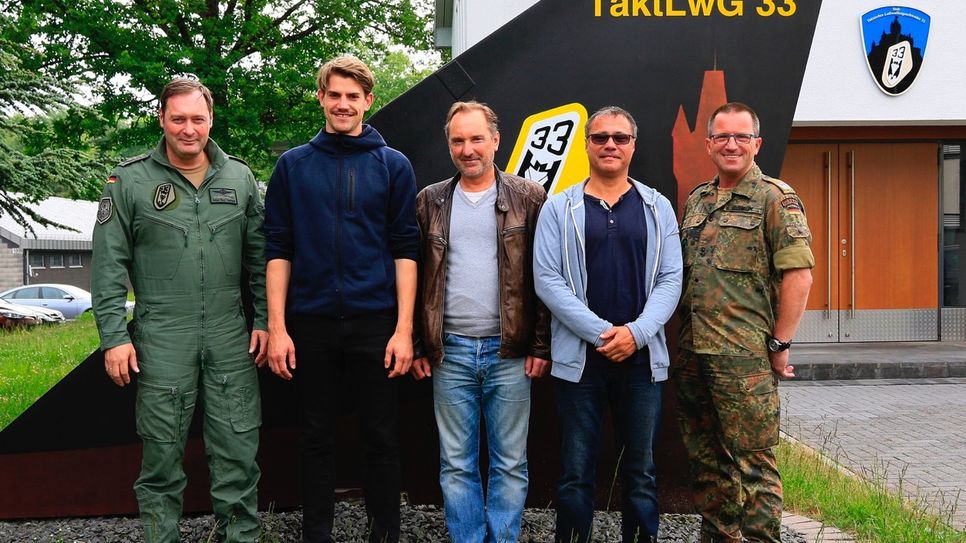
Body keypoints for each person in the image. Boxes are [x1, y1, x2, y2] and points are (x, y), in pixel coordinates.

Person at [91, 76, 268, 542]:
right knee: (162, 459)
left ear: (211, 119)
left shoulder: (241, 178)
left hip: (230, 331)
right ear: (161, 119)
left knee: (237, 451)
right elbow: (109, 266)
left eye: (198, 119)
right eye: (178, 119)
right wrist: (113, 337)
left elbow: (262, 261)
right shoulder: (128, 181)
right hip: (161, 334)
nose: (188, 129)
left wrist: (267, 321)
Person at [263, 55, 418, 543]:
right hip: (309, 324)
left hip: (377, 322)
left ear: (368, 101)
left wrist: (403, 329)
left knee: (381, 439)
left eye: (354, 96)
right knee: (315, 439)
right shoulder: (293, 166)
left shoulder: (393, 166)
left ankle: (385, 534)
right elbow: (278, 249)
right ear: (321, 98)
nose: (344, 104)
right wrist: (278, 327)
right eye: (335, 95)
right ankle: (317, 535)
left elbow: (405, 249)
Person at [533, 106, 683, 543]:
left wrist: (636, 334)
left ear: (634, 145)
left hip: (641, 364)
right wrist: (603, 333)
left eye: (620, 137)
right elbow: (547, 279)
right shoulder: (558, 208)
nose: (610, 145)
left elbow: (671, 278)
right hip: (581, 363)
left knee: (640, 472)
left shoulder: (658, 207)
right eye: (600, 138)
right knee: (575, 472)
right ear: (586, 145)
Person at [411, 101, 551, 542]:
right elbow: (415, 277)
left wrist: (541, 345)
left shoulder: (529, 197)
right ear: (449, 144)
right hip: (449, 351)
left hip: (509, 352)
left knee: (510, 461)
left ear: (495, 140)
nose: (467, 149)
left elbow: (544, 277)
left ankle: (503, 537)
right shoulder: (430, 200)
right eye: (458, 140)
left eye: (476, 139)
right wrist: (419, 344)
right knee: (456, 462)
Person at [676, 102, 814, 543]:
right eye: (722, 137)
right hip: (693, 354)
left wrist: (780, 345)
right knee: (707, 463)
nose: (731, 145)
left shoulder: (775, 198)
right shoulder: (698, 199)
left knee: (754, 465)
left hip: (744, 358)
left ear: (757, 143)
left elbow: (799, 274)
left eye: (741, 137)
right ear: (709, 144)